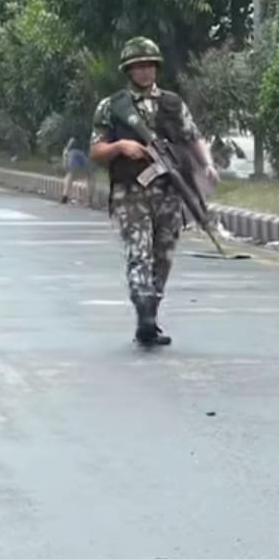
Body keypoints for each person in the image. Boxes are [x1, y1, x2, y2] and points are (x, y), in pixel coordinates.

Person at [89, 36, 219, 347]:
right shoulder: (112, 106)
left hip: (168, 193)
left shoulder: (172, 104)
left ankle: (150, 317)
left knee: (164, 256)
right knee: (139, 254)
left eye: (149, 65)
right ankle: (143, 309)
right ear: (128, 70)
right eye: (138, 66)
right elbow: (96, 150)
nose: (145, 71)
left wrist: (207, 165)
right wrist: (121, 146)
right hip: (130, 193)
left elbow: (193, 137)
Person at [61, 137, 95, 206]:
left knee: (70, 173)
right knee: (90, 175)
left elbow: (72, 138)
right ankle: (89, 201)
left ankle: (65, 197)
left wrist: (66, 149)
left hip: (74, 149)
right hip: (87, 150)